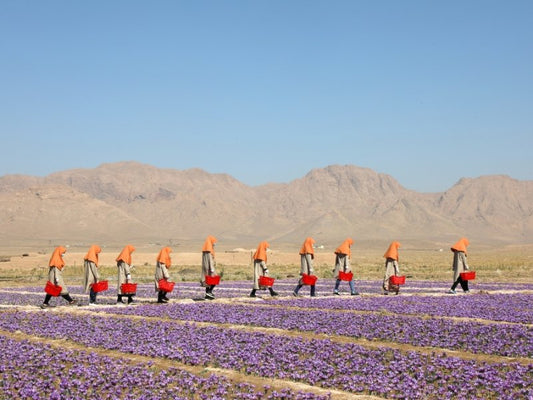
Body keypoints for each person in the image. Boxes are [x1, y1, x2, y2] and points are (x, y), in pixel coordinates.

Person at [201, 235, 217, 300]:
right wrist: (212, 269)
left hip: (205, 268)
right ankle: (209, 292)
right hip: (210, 268)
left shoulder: (205, 250)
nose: (214, 243)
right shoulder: (209, 251)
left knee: (207, 281)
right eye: (213, 242)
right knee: (215, 279)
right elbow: (210, 260)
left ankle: (207, 294)